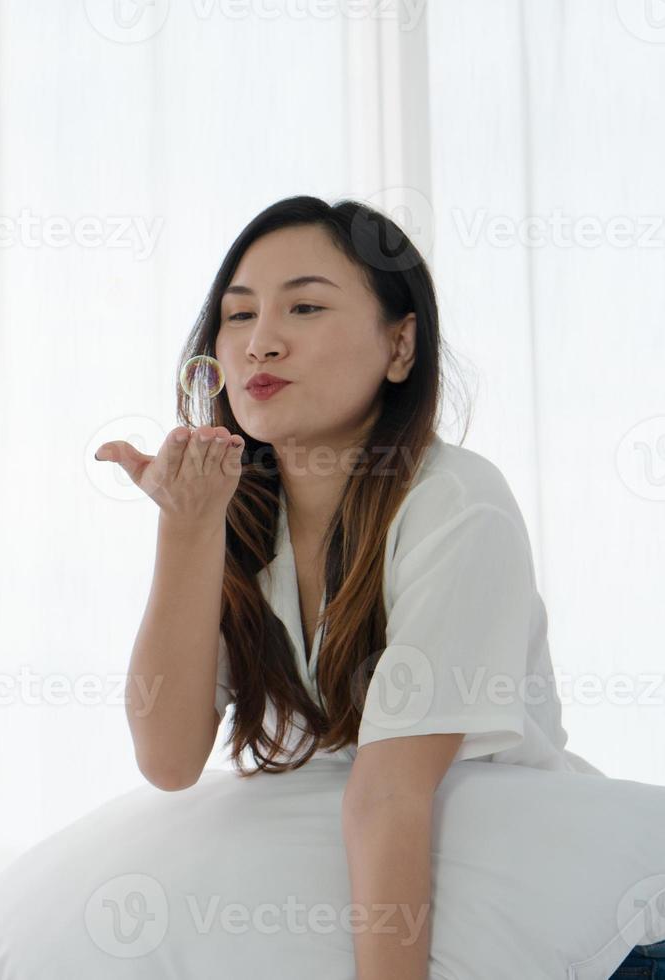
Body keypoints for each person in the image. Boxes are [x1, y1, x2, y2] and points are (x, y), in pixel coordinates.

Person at [92, 195, 649, 977]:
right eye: (238, 315)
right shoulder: (237, 518)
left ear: (400, 344)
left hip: (576, 932)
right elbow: (169, 758)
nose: (261, 343)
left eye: (306, 306)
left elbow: (391, 793)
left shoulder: (456, 504)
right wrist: (186, 530)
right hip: (411, 915)